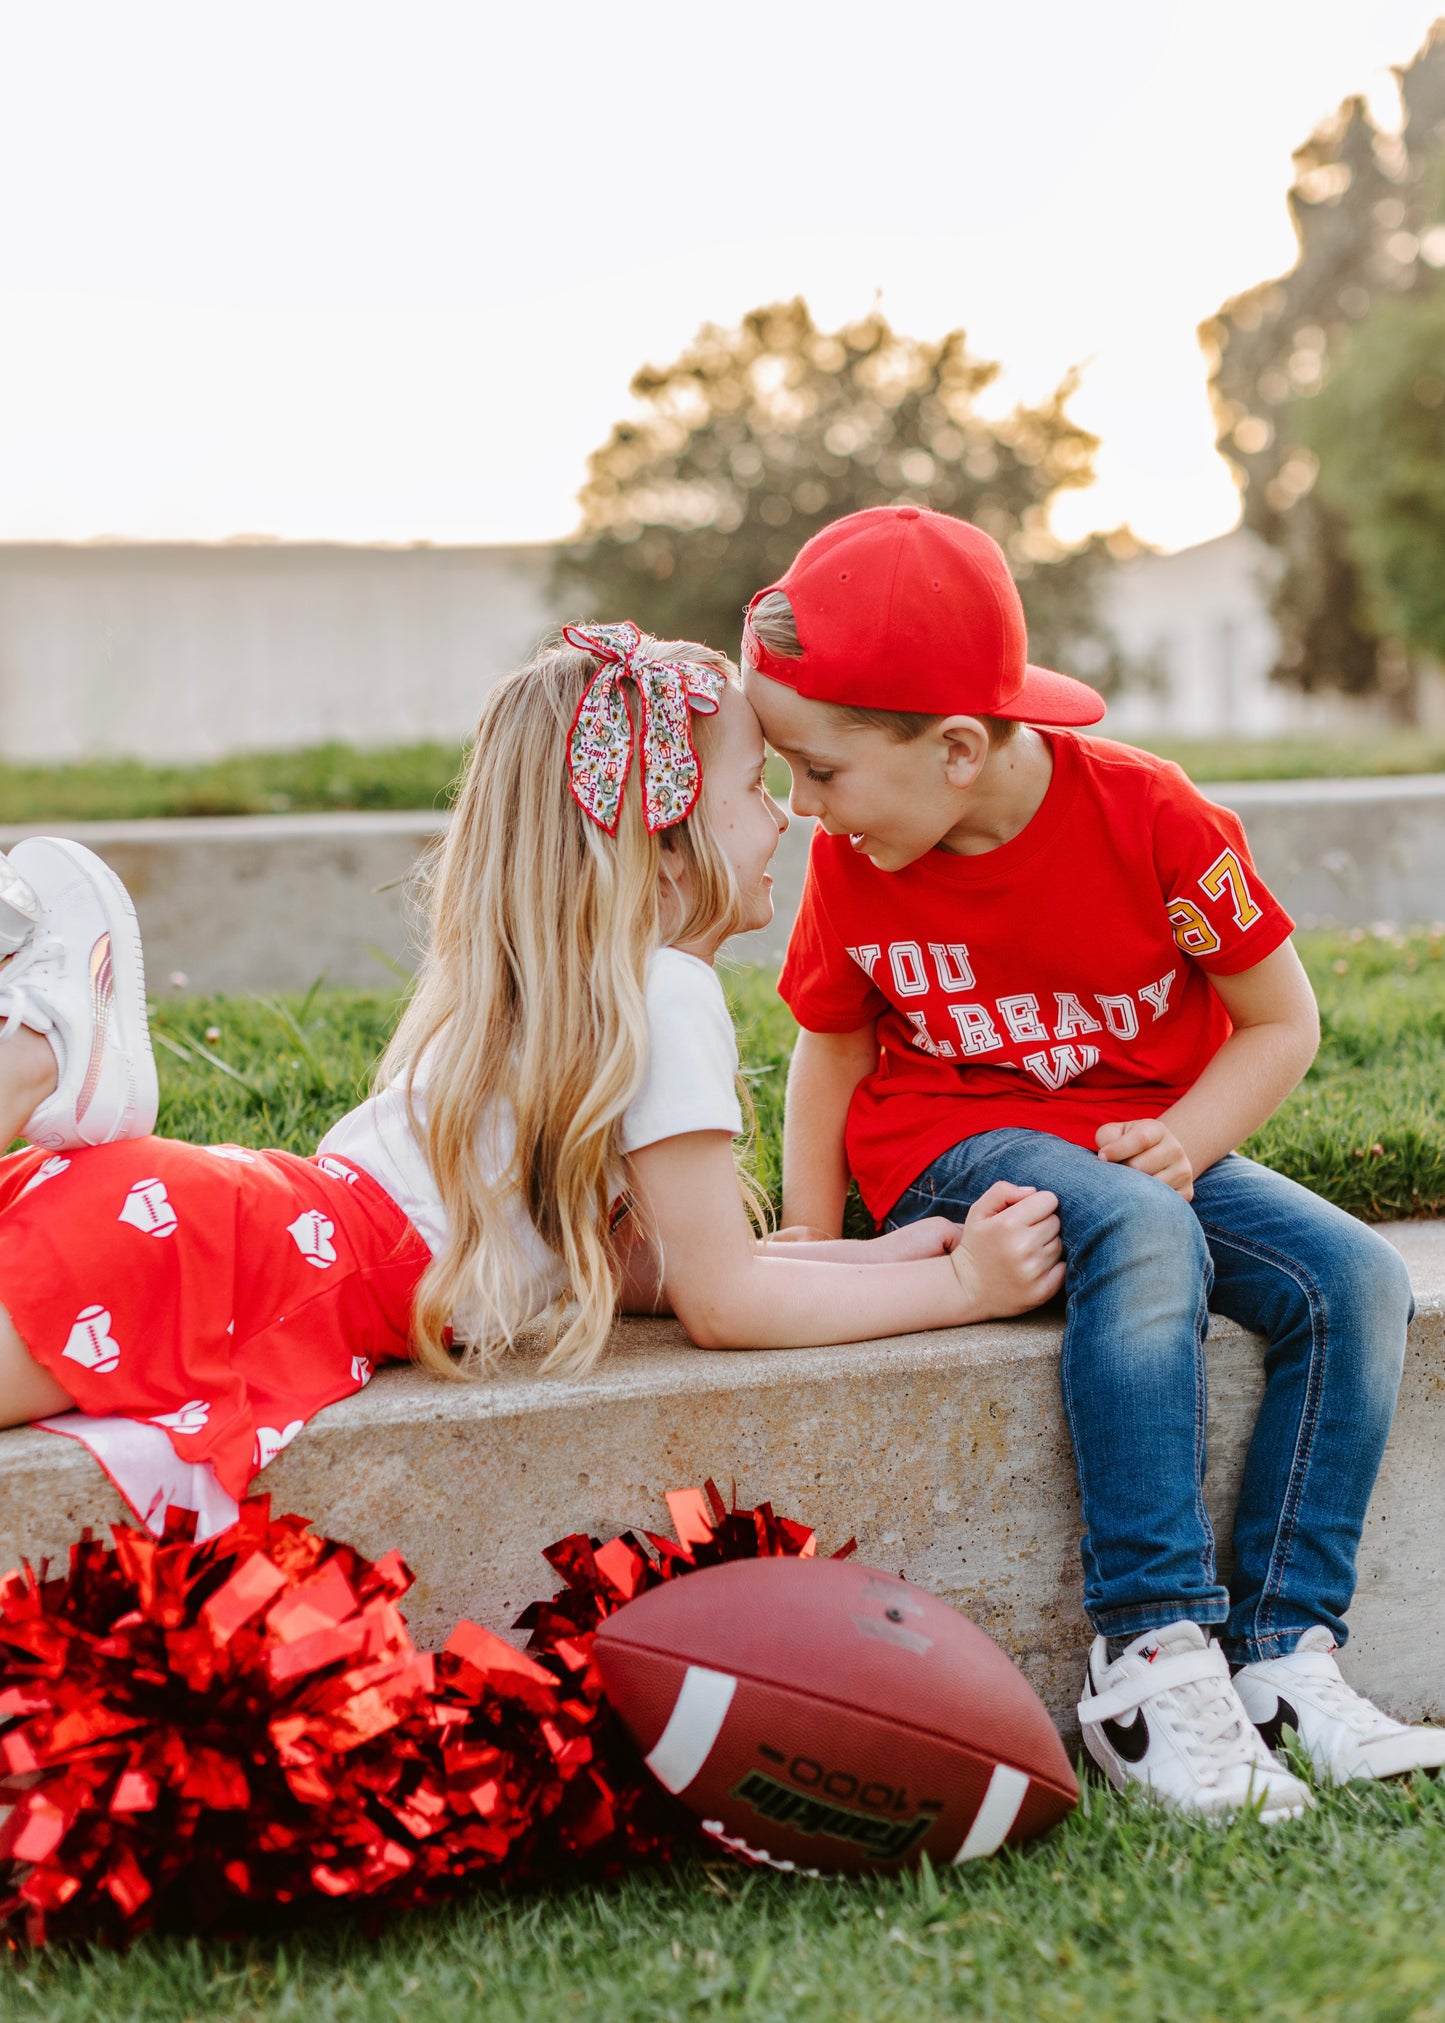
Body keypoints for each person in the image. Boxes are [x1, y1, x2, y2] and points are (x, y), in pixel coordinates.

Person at [0, 623, 1062, 1537]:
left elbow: (659, 1269)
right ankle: (45, 1057)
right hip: (238, 1261)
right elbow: (722, 1301)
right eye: (751, 787)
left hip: (214, 1226)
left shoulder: (565, 1008)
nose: (786, 815)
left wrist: (868, 1261)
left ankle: (47, 1065)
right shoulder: (667, 992)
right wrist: (958, 1288)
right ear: (671, 846)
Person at [742, 505, 1445, 1820]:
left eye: (817, 768)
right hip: (951, 1146)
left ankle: (1283, 1655)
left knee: (1351, 1275)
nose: (800, 809)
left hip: (1138, 1143)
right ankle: (1148, 1650)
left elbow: (1278, 1019)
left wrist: (1190, 1134)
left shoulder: (1157, 818)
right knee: (1139, 1223)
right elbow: (828, 1052)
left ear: (957, 748)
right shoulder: (859, 858)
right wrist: (816, 1237)